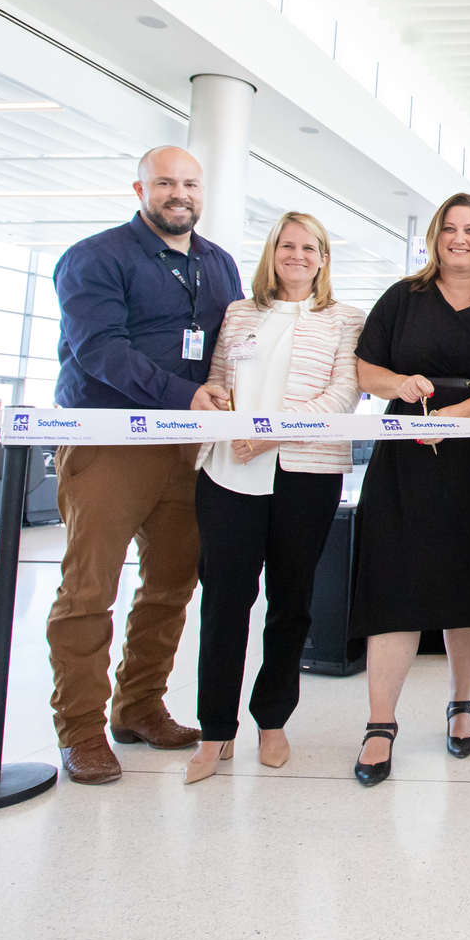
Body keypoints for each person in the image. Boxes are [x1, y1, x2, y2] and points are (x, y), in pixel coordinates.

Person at [46, 145, 243, 785]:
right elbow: (100, 350)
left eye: (190, 183)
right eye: (164, 182)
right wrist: (184, 396)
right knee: (89, 589)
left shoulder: (218, 263)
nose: (178, 194)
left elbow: (233, 345)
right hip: (111, 442)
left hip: (189, 447)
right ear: (140, 189)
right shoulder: (95, 257)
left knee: (170, 585)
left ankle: (139, 707)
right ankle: (80, 729)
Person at [351, 194, 470, 787]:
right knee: (394, 580)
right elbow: (365, 368)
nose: (459, 239)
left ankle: (462, 703)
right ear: (435, 236)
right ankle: (380, 724)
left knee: (468, 580)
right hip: (407, 453)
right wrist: (400, 385)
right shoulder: (404, 297)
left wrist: (456, 418)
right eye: (449, 228)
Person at [184, 212, 364, 785]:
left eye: (309, 247)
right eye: (287, 245)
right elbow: (217, 381)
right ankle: (215, 730)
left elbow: (343, 396)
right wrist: (216, 398)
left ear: (324, 258)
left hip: (304, 473)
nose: (297, 255)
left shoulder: (346, 319)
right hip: (228, 471)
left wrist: (272, 431)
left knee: (291, 602)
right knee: (224, 603)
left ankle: (272, 720)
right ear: (272, 251)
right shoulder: (239, 313)